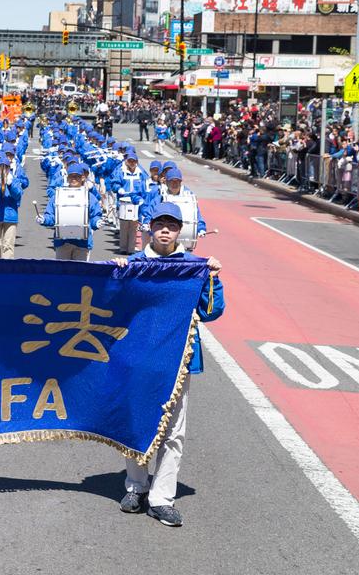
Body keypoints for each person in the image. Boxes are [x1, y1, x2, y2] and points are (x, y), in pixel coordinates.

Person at [111, 201, 225, 527]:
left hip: (177, 363)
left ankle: (162, 498)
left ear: (180, 230)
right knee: (134, 424)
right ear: (149, 227)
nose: (165, 230)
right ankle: (135, 486)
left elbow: (211, 312)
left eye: (172, 225)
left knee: (174, 432)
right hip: (136, 360)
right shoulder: (133, 264)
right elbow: (108, 303)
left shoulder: (193, 266)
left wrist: (213, 278)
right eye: (160, 223)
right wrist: (115, 273)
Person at [38, 163, 102, 261]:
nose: (74, 179)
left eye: (77, 176)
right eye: (71, 176)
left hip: (82, 242)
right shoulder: (58, 196)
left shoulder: (90, 197)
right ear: (67, 178)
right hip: (63, 242)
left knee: (80, 274)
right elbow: (51, 216)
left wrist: (97, 222)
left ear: (83, 178)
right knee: (63, 274)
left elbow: (95, 216)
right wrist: (44, 220)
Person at [0, 153, 23, 259]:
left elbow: (18, 196)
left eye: (6, 167)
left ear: (9, 168)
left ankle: (6, 269)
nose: (3, 169)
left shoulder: (14, 180)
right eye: (0, 166)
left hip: (10, 217)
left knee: (8, 246)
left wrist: (11, 185)